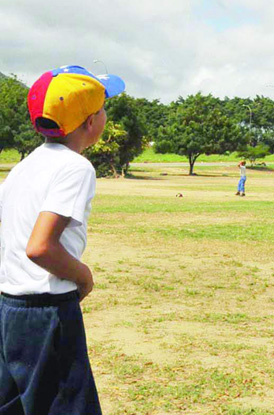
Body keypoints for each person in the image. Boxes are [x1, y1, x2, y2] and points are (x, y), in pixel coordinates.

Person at [0, 65, 125, 414]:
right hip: (48, 311)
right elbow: (40, 247)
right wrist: (82, 276)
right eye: (102, 109)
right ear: (89, 122)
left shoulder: (23, 167)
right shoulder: (75, 167)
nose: (104, 116)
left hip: (10, 310)